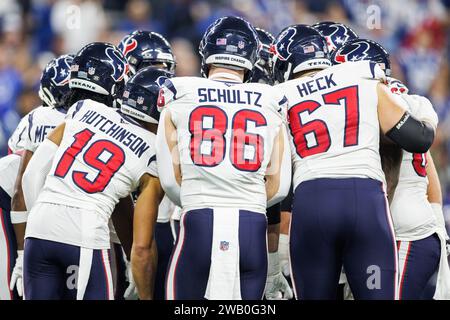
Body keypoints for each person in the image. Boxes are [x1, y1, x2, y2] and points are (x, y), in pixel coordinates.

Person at [273, 24, 437, 300]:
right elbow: (418, 139)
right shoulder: (362, 77)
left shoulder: (278, 96)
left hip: (312, 204)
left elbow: (277, 181)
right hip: (366, 202)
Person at [156, 16, 291, 300]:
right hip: (251, 227)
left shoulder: (179, 91)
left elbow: (170, 180)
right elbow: (279, 185)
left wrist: (204, 196)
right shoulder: (271, 99)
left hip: (198, 222)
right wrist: (243, 196)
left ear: (206, 53)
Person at [19, 42, 162, 300]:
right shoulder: (151, 148)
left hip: (39, 225)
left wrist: (40, 217)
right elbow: (141, 244)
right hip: (85, 231)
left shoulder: (83, 109)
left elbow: (31, 174)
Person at [8, 54, 74, 298]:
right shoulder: (95, 121)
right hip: (82, 225)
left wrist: (21, 254)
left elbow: (18, 186)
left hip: (36, 224)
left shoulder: (37, 118)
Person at [118, 29, 176, 300]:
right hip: (113, 233)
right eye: (151, 67)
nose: (159, 76)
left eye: (164, 68)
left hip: (165, 223)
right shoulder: (104, 111)